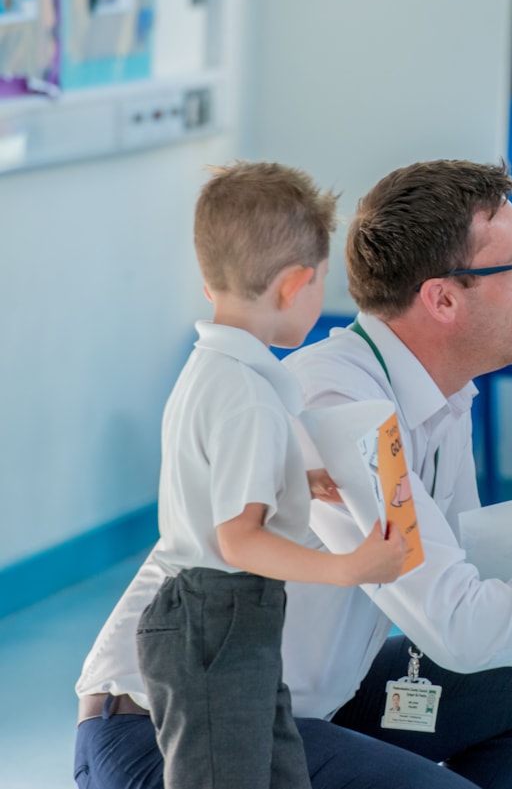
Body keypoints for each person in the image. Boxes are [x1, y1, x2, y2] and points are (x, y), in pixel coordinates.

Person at [74, 158, 512, 789]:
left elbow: (465, 571)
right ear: (443, 298)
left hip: (300, 704)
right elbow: (454, 625)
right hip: (167, 729)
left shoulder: (443, 397)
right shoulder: (337, 401)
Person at [125, 162, 410, 789]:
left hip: (228, 621)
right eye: (320, 286)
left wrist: (297, 475)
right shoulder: (247, 396)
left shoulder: (216, 372)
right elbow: (239, 540)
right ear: (295, 285)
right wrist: (348, 568)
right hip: (217, 619)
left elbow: (216, 471)